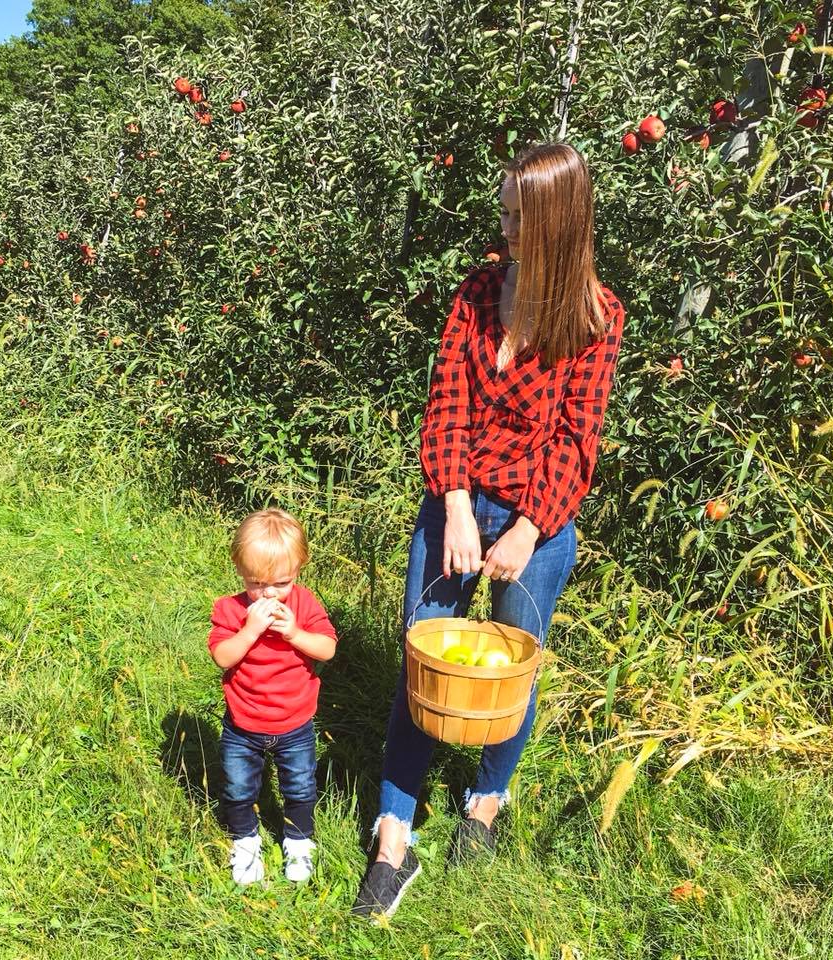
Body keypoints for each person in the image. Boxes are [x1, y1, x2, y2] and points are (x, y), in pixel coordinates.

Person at [352, 142, 625, 919]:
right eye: (502, 211)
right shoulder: (477, 293)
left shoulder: (595, 319)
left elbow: (578, 439)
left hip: (537, 524)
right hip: (459, 499)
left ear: (557, 226)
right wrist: (460, 506)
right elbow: (447, 403)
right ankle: (393, 838)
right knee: (423, 656)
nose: (503, 229)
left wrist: (528, 530)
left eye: (517, 217)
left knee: (511, 673)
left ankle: (485, 804)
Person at [207, 508, 337, 885]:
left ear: (299, 569)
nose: (268, 594)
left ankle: (298, 842)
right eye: (256, 583)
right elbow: (222, 657)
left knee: (299, 785)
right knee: (237, 786)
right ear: (239, 571)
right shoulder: (230, 609)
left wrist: (294, 632)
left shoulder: (304, 604)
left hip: (295, 722)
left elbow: (326, 649)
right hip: (242, 723)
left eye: (279, 583)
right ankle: (245, 842)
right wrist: (249, 630)